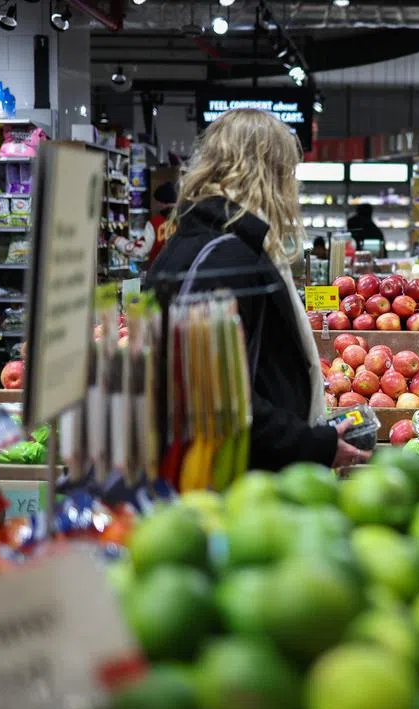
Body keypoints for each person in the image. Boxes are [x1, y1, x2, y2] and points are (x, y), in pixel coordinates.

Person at [146, 108, 368, 472]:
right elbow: (215, 394)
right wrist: (310, 444)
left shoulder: (201, 241)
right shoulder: (225, 256)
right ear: (271, 174)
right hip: (232, 475)